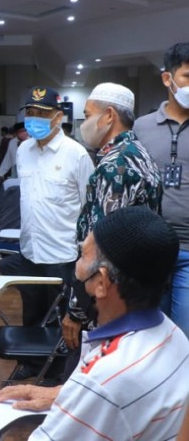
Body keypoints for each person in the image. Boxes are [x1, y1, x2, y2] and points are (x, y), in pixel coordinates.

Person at [0, 207, 189, 440]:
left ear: (102, 283)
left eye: (82, 257)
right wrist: (64, 395)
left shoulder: (106, 379)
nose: (76, 267)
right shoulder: (174, 337)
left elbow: (109, 391)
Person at [0, 86, 94, 382]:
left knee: (63, 319)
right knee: (32, 312)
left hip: (64, 254)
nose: (34, 119)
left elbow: (90, 206)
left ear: (58, 117)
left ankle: (59, 373)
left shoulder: (76, 154)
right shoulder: (24, 150)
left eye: (42, 113)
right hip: (30, 249)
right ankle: (30, 363)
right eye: (30, 113)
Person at [63, 82, 162, 357]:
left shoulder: (115, 166)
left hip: (106, 296)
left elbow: (101, 249)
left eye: (88, 114)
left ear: (108, 116)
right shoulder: (141, 155)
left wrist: (75, 310)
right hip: (133, 290)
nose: (84, 123)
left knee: (94, 374)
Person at [134, 42, 189, 339]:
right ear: (167, 78)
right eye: (188, 76)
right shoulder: (141, 128)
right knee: (148, 333)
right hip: (150, 246)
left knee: (183, 336)